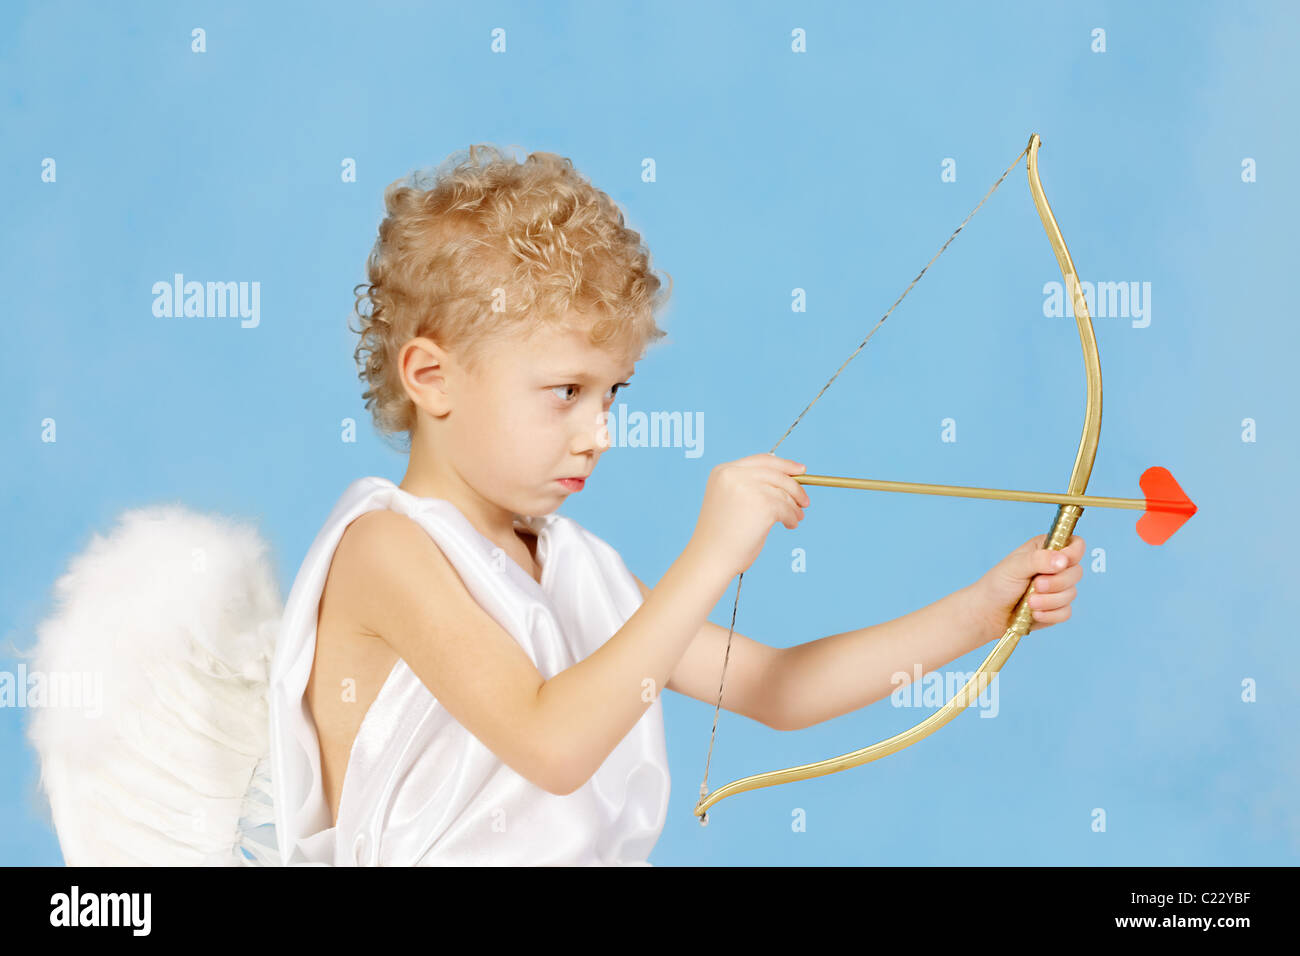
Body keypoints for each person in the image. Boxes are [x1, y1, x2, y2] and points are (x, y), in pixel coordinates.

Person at [26, 143, 1084, 867]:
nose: (599, 430)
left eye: (613, 392)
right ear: (431, 378)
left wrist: (981, 608)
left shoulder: (574, 565)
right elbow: (551, 740)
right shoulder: (387, 552)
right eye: (563, 392)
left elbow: (772, 686)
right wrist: (709, 556)